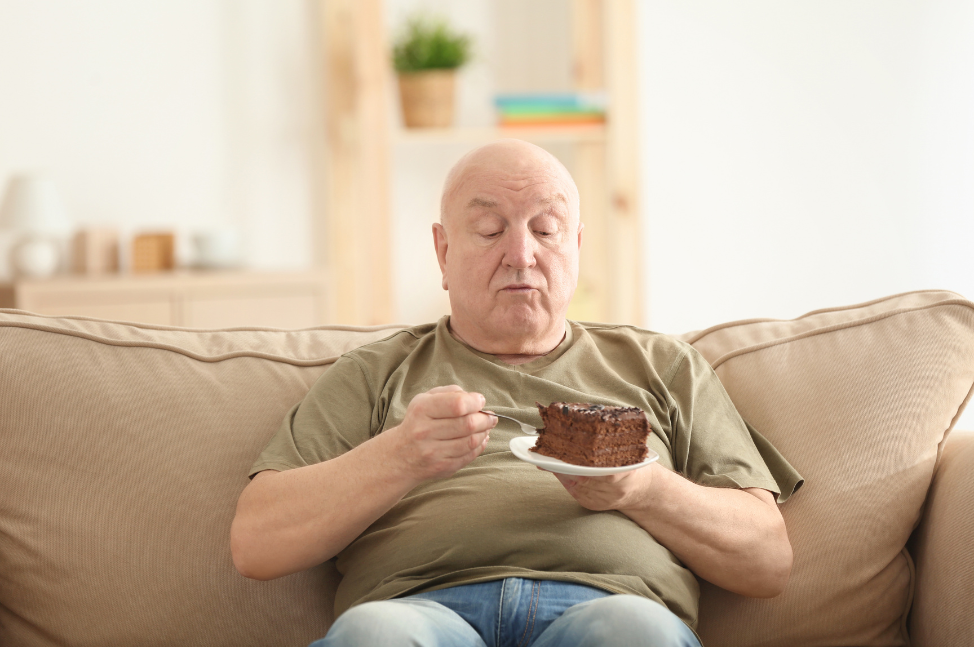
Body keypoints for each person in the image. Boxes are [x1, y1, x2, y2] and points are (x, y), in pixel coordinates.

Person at [230, 139, 803, 647]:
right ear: (443, 252)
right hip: (418, 613)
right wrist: (399, 457)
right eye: (488, 230)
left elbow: (768, 561)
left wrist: (641, 487)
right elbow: (256, 543)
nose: (521, 254)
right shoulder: (375, 372)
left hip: (608, 610)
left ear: (576, 246)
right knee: (374, 636)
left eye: (546, 230)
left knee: (637, 633)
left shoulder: (664, 366)